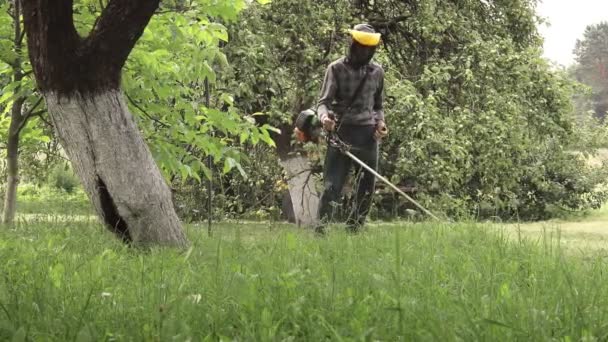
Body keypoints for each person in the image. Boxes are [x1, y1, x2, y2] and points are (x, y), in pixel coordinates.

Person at [315, 23, 388, 234]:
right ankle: (321, 231)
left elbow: (378, 106)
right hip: (341, 134)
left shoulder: (377, 72)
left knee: (366, 187)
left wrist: (381, 124)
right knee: (332, 186)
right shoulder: (335, 69)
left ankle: (354, 230)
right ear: (352, 45)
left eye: (368, 49)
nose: (364, 52)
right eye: (360, 47)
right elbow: (323, 103)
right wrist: (324, 118)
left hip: (368, 137)